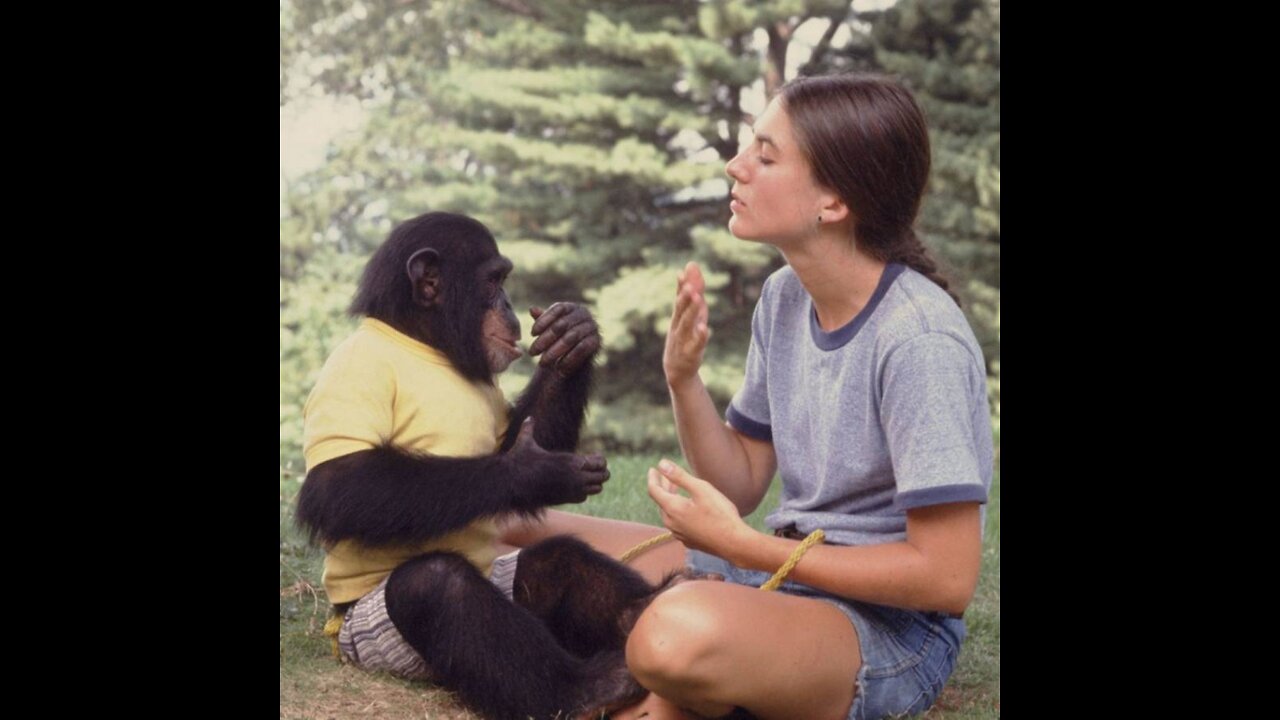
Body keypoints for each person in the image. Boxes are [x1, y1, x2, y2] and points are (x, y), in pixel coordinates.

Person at [616, 73, 995, 720]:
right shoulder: (784, 298)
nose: (736, 166)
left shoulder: (918, 339)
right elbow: (740, 482)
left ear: (833, 203)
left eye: (765, 157)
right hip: (783, 577)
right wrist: (682, 379)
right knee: (547, 545)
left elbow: (947, 579)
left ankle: (665, 692)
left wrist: (745, 550)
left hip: (889, 630)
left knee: (669, 634)